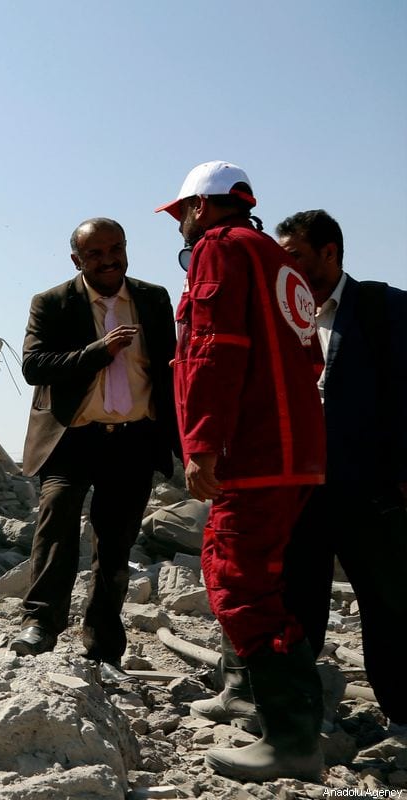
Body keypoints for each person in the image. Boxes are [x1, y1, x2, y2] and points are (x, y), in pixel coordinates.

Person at [157, 161, 327, 781]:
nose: (182, 228)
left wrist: (202, 445)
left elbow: (212, 349)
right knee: (265, 580)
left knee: (238, 582)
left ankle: (293, 741)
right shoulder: (280, 263)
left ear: (201, 208)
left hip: (253, 453)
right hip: (296, 452)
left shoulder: (219, 250)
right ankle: (275, 714)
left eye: (182, 215)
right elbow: (306, 356)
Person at [7, 218, 179, 686]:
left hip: (134, 439)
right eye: (96, 254)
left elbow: (170, 371)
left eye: (116, 248)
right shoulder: (53, 302)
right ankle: (40, 624)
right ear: (77, 261)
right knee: (57, 516)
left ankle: (104, 643)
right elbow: (33, 365)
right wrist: (97, 351)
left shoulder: (153, 299)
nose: (109, 260)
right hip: (72, 439)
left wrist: (185, 448)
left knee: (116, 542)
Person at [276, 211, 407, 726]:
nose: (285, 269)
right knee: (298, 605)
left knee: (391, 604)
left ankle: (401, 714)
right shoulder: (282, 316)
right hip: (301, 491)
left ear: (329, 253)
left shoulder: (382, 307)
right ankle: (300, 720)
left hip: (369, 489)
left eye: (295, 257)